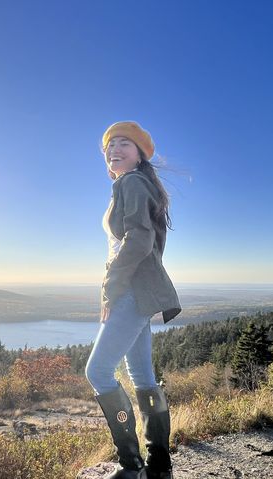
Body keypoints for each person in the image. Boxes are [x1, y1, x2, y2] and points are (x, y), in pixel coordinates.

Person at [85, 121, 181, 479]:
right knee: (141, 374)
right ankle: (160, 466)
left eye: (124, 143)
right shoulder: (135, 184)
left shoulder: (132, 182)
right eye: (110, 146)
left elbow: (139, 241)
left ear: (140, 153)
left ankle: (132, 466)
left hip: (131, 290)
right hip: (140, 291)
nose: (114, 149)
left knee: (97, 371)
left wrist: (111, 287)